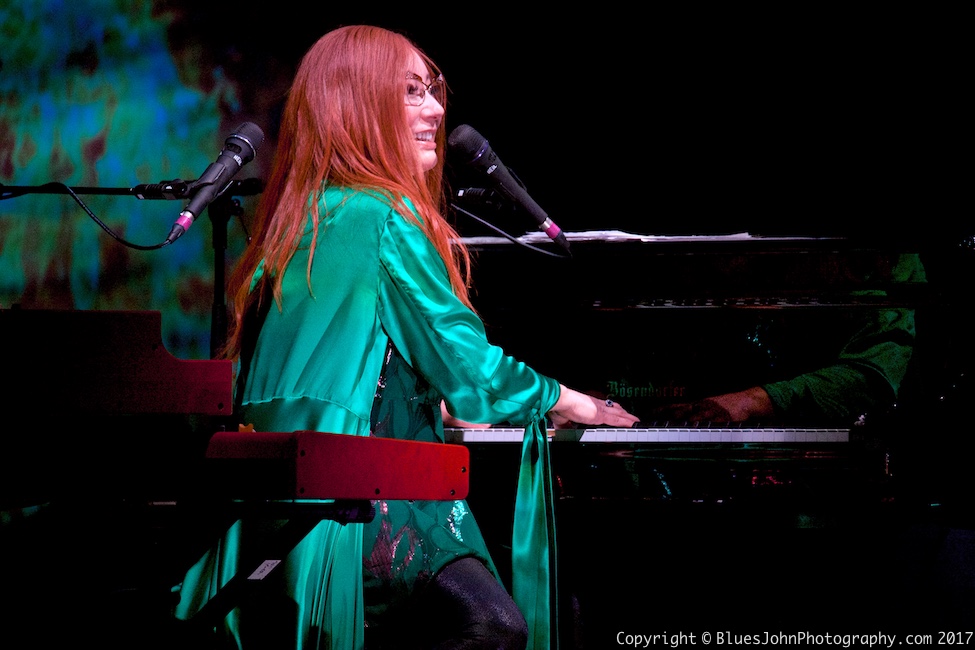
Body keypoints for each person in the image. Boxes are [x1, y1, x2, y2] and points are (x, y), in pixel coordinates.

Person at [173, 24, 638, 650]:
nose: (438, 111)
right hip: (361, 495)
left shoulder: (297, 225)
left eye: (434, 92)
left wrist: (424, 395)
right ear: (357, 106)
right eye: (413, 93)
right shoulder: (382, 217)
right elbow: (470, 367)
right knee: (495, 629)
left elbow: (345, 362)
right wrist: (571, 400)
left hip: (274, 502)